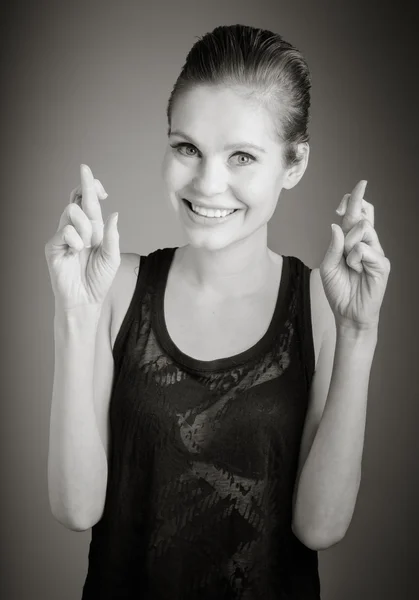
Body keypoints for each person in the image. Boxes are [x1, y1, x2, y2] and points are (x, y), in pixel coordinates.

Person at [45, 24, 390, 600]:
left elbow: (320, 527)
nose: (207, 183)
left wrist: (359, 333)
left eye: (243, 157)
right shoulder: (113, 287)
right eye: (188, 148)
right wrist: (73, 314)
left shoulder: (322, 308)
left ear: (295, 163)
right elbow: (76, 509)